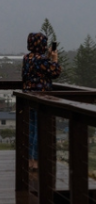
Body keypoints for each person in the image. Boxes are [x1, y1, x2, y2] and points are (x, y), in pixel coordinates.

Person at [22, 32, 62, 169]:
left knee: (31, 129)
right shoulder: (41, 60)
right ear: (43, 44)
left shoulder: (27, 58)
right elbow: (55, 72)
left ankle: (30, 161)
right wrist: (55, 58)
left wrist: (48, 57)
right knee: (39, 130)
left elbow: (39, 67)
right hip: (41, 99)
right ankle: (36, 162)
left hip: (28, 98)